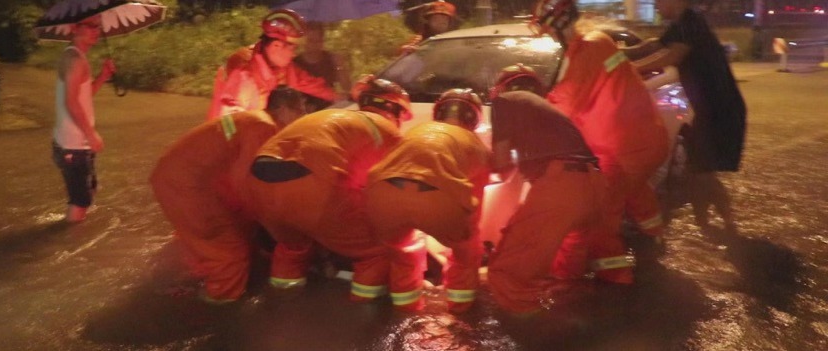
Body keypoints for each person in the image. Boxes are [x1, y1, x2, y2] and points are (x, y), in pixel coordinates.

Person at [530, 0, 669, 284]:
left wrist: (533, 108)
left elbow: (568, 101)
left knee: (601, 216)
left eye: (548, 28)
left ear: (559, 23)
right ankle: (653, 236)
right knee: (633, 188)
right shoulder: (597, 43)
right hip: (641, 141)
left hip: (624, 148)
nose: (548, 35)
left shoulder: (587, 50)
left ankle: (615, 277)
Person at [240, 75, 410, 304]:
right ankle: (364, 313)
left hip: (260, 184)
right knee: (375, 253)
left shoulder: (332, 116)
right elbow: (397, 192)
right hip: (312, 187)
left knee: (293, 247)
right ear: (394, 111)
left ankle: (280, 302)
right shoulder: (388, 132)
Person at [149, 86, 307, 304]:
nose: (302, 117)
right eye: (299, 111)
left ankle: (188, 274)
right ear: (281, 109)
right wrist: (276, 223)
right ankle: (216, 304)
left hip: (181, 179)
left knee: (228, 233)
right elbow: (249, 183)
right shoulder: (264, 128)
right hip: (187, 187)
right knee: (231, 255)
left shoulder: (254, 121)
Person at [621, 0, 746, 234]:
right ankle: (710, 223)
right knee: (697, 169)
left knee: (701, 171)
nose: (656, 5)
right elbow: (655, 45)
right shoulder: (682, 23)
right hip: (710, 109)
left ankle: (726, 222)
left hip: (721, 110)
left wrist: (627, 67)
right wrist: (621, 52)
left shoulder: (690, 22)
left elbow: (672, 55)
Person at [486, 64, 606, 315]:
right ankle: (568, 312)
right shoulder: (549, 111)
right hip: (593, 185)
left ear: (503, 87)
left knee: (511, 270)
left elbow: (501, 163)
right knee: (565, 266)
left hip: (561, 187)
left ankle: (527, 328)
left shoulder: (505, 101)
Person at [366, 89, 492, 313]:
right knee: (465, 251)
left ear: (438, 112)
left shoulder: (413, 132)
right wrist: (464, 239)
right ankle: (460, 311)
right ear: (473, 118)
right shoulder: (476, 146)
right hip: (437, 200)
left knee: (402, 254)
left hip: (383, 195)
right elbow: (472, 205)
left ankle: (406, 311)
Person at [207, 9, 337, 118]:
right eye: (292, 48)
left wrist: (339, 97)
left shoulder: (279, 64)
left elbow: (306, 82)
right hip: (229, 141)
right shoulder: (245, 74)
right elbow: (229, 121)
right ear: (276, 45)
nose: (293, 54)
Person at [51, 14, 116, 223]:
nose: (96, 31)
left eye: (98, 27)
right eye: (90, 26)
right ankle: (65, 245)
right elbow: (71, 102)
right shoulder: (75, 60)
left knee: (85, 195)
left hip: (73, 144)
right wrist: (91, 133)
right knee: (80, 203)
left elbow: (83, 96)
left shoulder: (76, 56)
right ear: (73, 27)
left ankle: (70, 232)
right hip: (74, 145)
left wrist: (103, 77)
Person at [292, 22, 351, 110]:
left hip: (329, 108)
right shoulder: (295, 63)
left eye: (318, 41)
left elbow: (347, 87)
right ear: (304, 41)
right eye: (311, 41)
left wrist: (340, 66)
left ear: (322, 42)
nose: (314, 45)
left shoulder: (330, 59)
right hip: (303, 111)